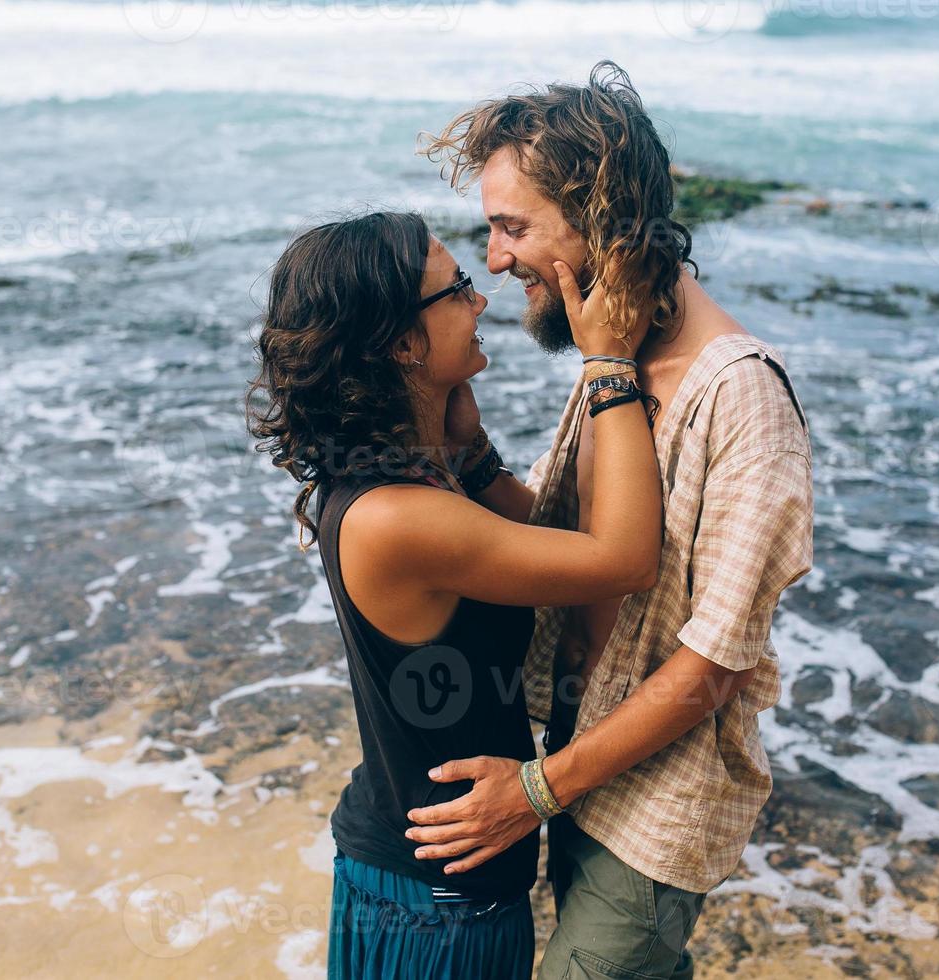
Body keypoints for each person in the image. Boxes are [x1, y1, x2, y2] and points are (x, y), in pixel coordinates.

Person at [409, 63, 816, 978]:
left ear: (598, 225)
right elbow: (567, 546)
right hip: (575, 760)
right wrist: (469, 453)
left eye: (513, 228)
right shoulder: (611, 353)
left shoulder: (742, 397)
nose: (498, 259)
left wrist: (530, 794)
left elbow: (713, 666)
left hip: (652, 810)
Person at [247, 209, 663, 979]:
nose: (481, 301)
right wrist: (609, 362)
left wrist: (468, 449)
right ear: (403, 343)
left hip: (435, 874)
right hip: (431, 901)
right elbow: (624, 560)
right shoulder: (400, 517)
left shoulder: (410, 478)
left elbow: (545, 543)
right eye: (458, 288)